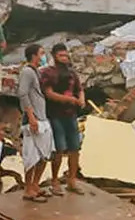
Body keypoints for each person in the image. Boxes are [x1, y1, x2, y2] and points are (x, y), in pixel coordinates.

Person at [41, 42, 85, 196]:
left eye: (66, 55)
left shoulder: (72, 73)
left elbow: (80, 89)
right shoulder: (48, 73)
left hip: (71, 114)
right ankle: (55, 180)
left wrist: (81, 99)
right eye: (61, 55)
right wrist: (68, 100)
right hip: (55, 114)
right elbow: (48, 93)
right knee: (59, 148)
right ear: (54, 56)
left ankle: (72, 180)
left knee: (75, 148)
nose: (64, 58)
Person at [17, 44, 54, 203]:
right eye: (41, 53)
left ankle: (35, 185)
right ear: (33, 55)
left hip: (42, 117)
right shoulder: (27, 72)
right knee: (32, 155)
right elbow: (23, 94)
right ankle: (28, 189)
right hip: (34, 119)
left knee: (44, 154)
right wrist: (31, 116)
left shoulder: (36, 72)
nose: (43, 56)